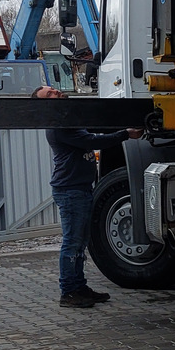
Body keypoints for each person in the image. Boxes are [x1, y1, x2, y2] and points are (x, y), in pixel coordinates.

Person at [32, 86, 143, 308]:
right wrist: (125, 134)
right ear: (45, 105)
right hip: (70, 190)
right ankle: (69, 292)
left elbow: (94, 129)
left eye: (53, 89)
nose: (56, 92)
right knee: (72, 242)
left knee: (80, 242)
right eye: (50, 94)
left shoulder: (69, 120)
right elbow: (92, 141)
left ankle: (79, 287)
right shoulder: (58, 127)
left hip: (80, 188)